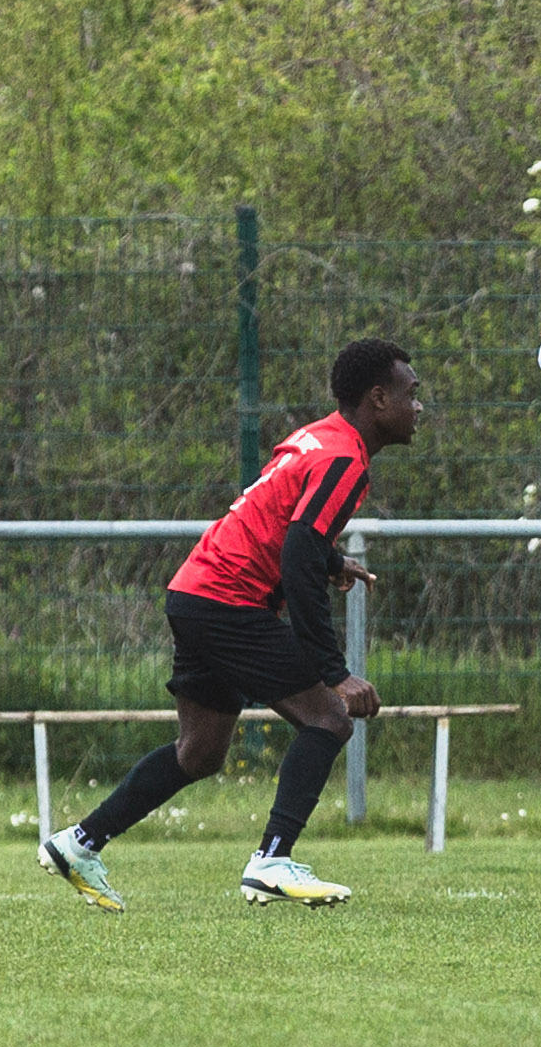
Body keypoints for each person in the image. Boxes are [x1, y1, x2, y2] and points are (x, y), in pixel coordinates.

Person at [41, 339, 419, 911]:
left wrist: (332, 561)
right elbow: (296, 552)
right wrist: (334, 672)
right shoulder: (345, 459)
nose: (420, 408)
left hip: (194, 591)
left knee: (200, 752)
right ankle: (270, 861)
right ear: (378, 398)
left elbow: (282, 524)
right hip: (228, 600)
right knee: (330, 718)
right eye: (413, 395)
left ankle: (79, 843)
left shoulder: (320, 438)